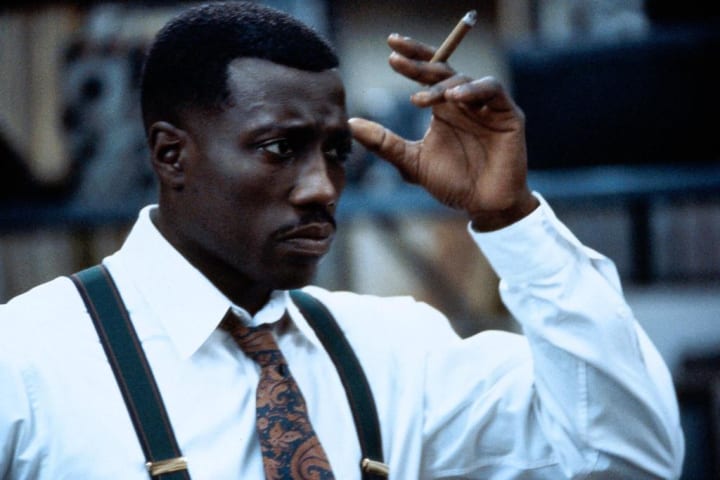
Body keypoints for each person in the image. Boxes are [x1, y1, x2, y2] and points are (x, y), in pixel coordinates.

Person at [0, 2, 683, 479]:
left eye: (335, 152)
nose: (322, 187)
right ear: (172, 155)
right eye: (280, 148)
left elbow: (630, 459)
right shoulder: (26, 362)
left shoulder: (395, 352)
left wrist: (513, 219)